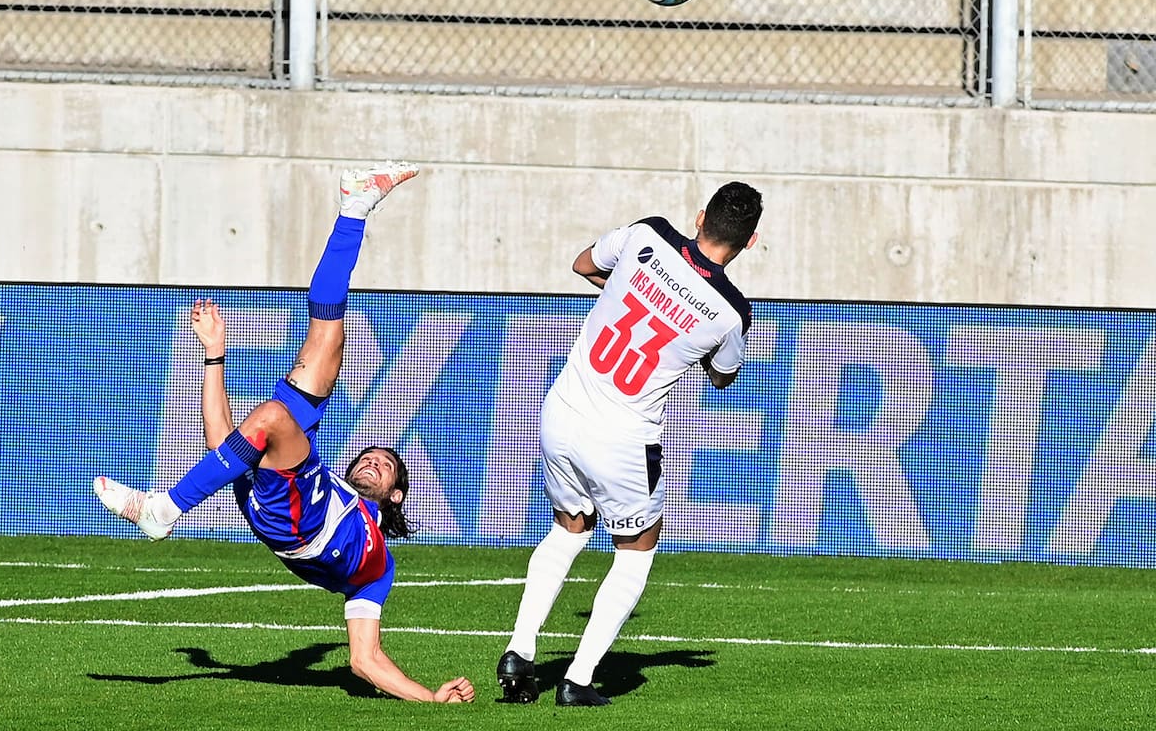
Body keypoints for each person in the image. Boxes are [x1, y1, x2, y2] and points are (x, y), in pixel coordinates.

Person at [94, 162, 476, 704]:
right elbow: (220, 445)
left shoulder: (378, 567)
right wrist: (214, 354)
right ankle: (354, 209)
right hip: (299, 497)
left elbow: (365, 659)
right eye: (369, 457)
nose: (372, 462)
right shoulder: (326, 483)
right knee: (326, 338)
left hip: (304, 527)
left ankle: (163, 511)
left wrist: (429, 697)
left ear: (395, 495)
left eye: (386, 466)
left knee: (274, 416)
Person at [497, 181, 763, 707]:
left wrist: (627, 293)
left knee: (569, 527)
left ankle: (520, 651)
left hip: (562, 410)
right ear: (750, 242)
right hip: (621, 435)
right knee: (637, 550)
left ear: (700, 216)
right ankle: (577, 679)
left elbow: (582, 264)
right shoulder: (732, 311)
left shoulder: (649, 234)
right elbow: (722, 376)